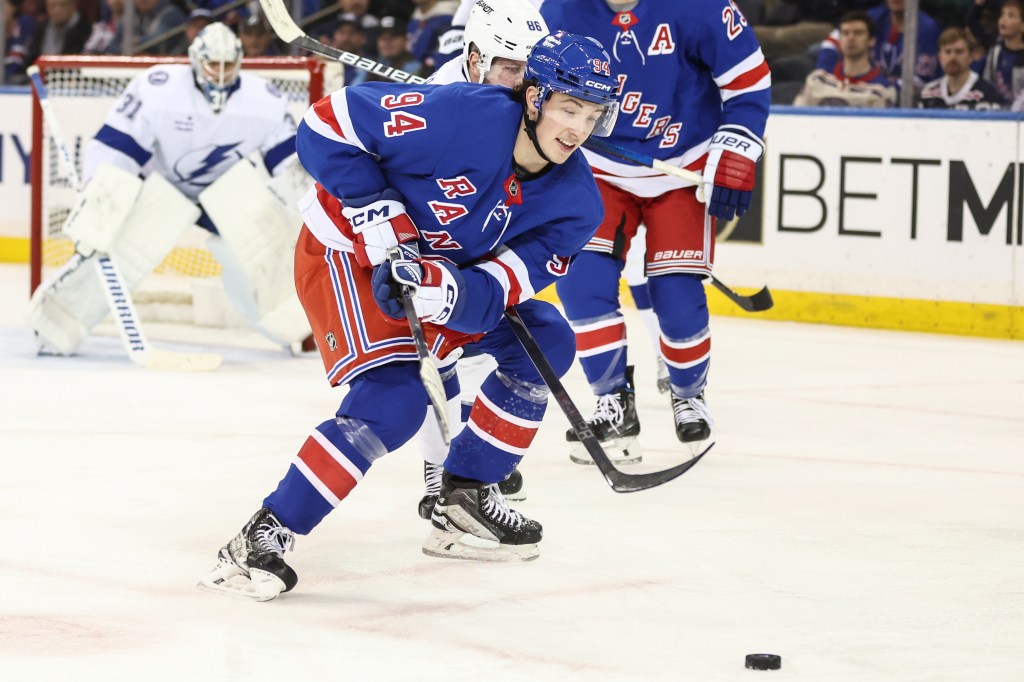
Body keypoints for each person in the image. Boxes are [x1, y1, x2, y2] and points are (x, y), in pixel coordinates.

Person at [198, 30, 622, 600]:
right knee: (395, 404)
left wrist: (447, 293)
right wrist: (376, 211)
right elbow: (325, 125)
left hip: (432, 274)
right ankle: (263, 535)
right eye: (569, 109)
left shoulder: (577, 204)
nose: (578, 129)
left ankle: (465, 497)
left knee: (547, 341)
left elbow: (503, 286)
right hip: (343, 253)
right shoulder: (463, 115)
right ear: (534, 97)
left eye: (592, 115)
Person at [540, 0, 770, 463]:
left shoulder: (700, 6)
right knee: (582, 283)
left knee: (676, 294)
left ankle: (688, 393)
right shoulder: (559, 10)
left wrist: (738, 149)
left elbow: (748, 81)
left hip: (682, 166)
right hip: (598, 165)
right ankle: (613, 404)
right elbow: (532, 86)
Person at [28, 23, 309, 356]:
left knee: (266, 243)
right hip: (163, 187)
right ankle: (56, 327)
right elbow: (118, 147)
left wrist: (301, 208)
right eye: (212, 64)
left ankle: (294, 327)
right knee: (119, 251)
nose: (220, 73)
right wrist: (100, 202)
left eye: (227, 64)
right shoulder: (159, 87)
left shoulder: (265, 98)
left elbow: (291, 163)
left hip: (225, 190)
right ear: (195, 59)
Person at [409, 0, 548, 518]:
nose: (522, 84)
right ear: (474, 59)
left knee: (489, 352)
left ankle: (472, 454)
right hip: (431, 239)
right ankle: (438, 467)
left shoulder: (517, 93)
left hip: (488, 231)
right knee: (440, 355)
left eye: (529, 72)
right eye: (510, 68)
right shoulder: (438, 105)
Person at [814, 0, 940, 89]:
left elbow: (921, 80)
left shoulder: (927, 28)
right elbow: (831, 42)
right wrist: (825, 74)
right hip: (865, 83)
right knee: (811, 53)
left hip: (896, 99)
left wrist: (882, 89)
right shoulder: (875, 16)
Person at [794, 10, 897, 107]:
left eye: (858, 33)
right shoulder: (817, 80)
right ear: (839, 40)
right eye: (845, 33)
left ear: (871, 41)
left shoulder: (881, 90)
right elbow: (795, 114)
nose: (851, 38)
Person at [920, 27, 1006, 110]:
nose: (953, 57)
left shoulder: (986, 94)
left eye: (959, 51)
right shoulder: (928, 93)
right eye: (947, 52)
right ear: (939, 56)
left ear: (971, 56)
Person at [24, 0, 92, 68]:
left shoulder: (87, 31)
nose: (57, 10)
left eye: (62, 5)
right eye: (52, 5)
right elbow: (31, 59)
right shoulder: (40, 29)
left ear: (73, 6)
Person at [981, 0, 1024, 104]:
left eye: (1010, 16)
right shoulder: (995, 51)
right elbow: (986, 83)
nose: (1003, 19)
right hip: (996, 109)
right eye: (1002, 15)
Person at [365, 15, 422, 82]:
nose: (387, 42)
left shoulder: (415, 67)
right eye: (382, 37)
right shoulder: (372, 62)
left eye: (393, 37)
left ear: (405, 39)